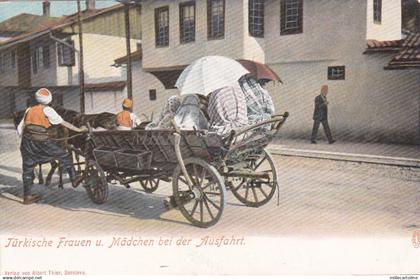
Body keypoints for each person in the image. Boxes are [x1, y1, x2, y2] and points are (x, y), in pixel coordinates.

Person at [17, 88, 88, 204]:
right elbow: (63, 122)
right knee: (64, 155)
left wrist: (27, 138)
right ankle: (74, 178)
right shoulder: (48, 110)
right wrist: (79, 129)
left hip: (26, 142)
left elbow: (20, 128)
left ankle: (27, 196)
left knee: (28, 168)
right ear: (49, 99)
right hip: (41, 141)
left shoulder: (29, 110)